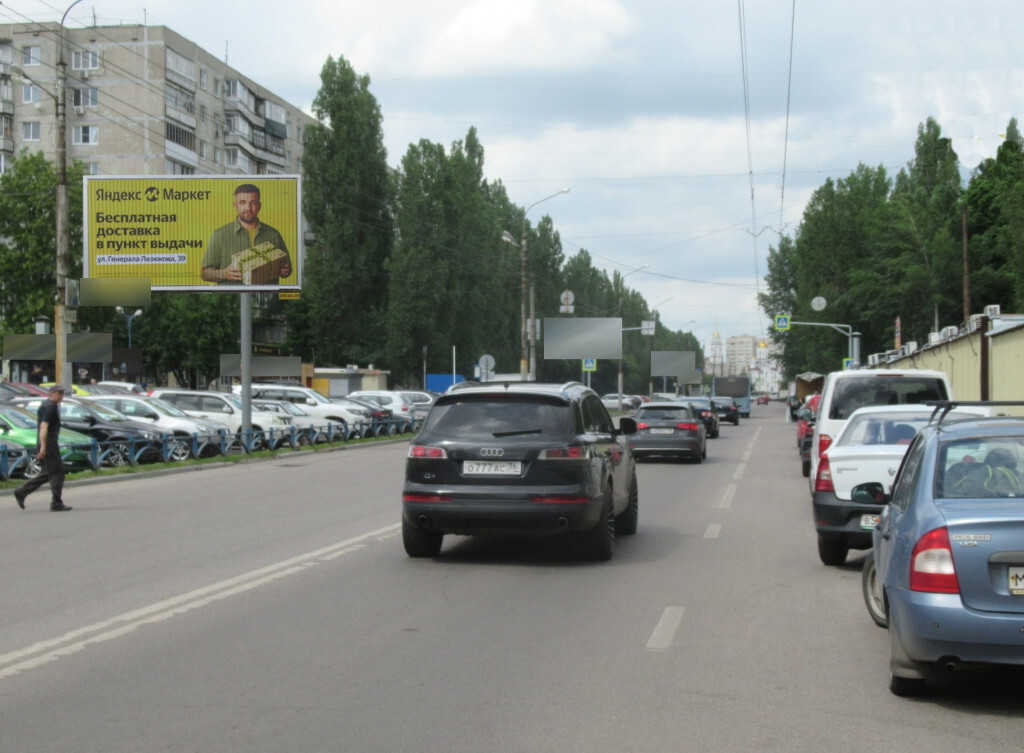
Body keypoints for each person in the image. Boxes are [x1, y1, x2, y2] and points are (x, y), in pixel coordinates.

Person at [200, 184, 292, 284]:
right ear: (235, 206)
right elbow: (204, 273)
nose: (248, 208)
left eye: (253, 203)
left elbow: (287, 269)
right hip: (234, 294)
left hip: (266, 294)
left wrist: (285, 271)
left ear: (259, 206)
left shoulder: (273, 234)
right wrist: (224, 274)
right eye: (242, 202)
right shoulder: (219, 235)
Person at [13, 385, 72, 512]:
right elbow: (44, 426)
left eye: (62, 393)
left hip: (45, 443)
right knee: (58, 473)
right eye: (59, 393)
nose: (61, 396)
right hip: (48, 444)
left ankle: (22, 492)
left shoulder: (45, 404)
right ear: (52, 393)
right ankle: (56, 503)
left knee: (47, 473)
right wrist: (44, 446)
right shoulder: (50, 407)